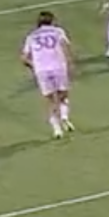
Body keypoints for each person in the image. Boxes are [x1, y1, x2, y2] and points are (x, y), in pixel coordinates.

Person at [21, 11, 78, 139]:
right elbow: (65, 48)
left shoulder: (31, 36)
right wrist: (70, 64)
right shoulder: (58, 32)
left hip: (42, 70)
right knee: (63, 95)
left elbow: (24, 58)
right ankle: (64, 117)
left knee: (51, 100)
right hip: (58, 67)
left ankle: (56, 129)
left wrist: (34, 66)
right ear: (52, 21)